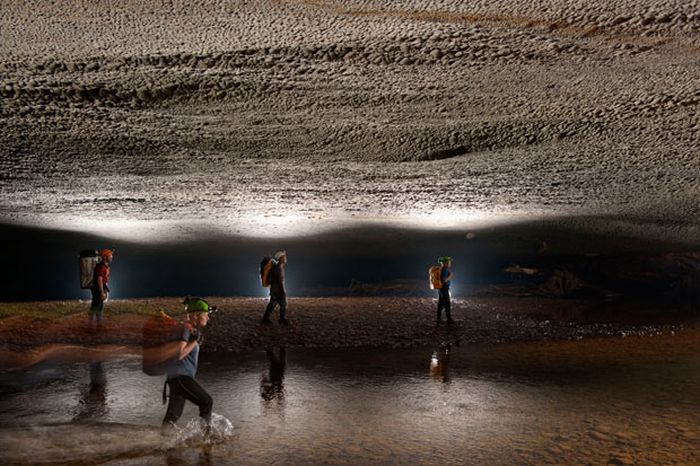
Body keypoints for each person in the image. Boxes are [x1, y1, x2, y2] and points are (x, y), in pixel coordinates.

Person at [162, 297, 215, 431]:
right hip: (180, 377)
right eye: (206, 315)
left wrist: (195, 340)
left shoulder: (190, 330)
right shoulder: (184, 329)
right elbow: (178, 354)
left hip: (177, 378)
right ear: (195, 316)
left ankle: (160, 441)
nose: (208, 318)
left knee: (173, 417)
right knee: (206, 401)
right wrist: (195, 342)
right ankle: (206, 438)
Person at [262, 250, 289, 325]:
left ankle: (265, 318)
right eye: (284, 257)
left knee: (272, 304)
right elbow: (279, 281)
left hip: (274, 290)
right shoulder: (278, 268)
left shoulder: (278, 267)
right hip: (277, 290)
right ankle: (281, 319)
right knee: (283, 304)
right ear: (280, 258)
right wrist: (283, 291)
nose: (285, 258)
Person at [89, 249, 113, 331]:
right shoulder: (101, 266)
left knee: (99, 306)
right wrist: (102, 292)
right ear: (105, 257)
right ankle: (91, 326)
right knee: (95, 306)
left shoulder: (103, 265)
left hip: (100, 287)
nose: (111, 257)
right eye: (110, 256)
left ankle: (98, 325)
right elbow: (99, 279)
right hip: (98, 288)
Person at [436, 256, 454, 324]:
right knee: (447, 303)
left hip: (440, 288)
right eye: (449, 262)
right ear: (446, 263)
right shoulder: (445, 269)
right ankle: (449, 319)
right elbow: (444, 280)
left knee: (441, 303)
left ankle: (438, 318)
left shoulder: (441, 269)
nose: (450, 263)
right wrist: (450, 276)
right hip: (444, 288)